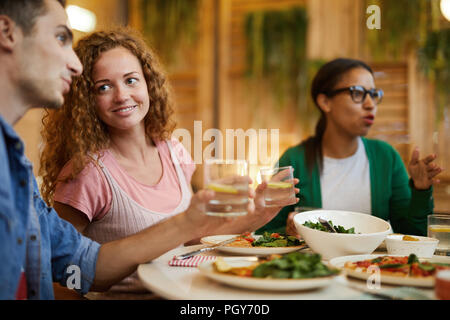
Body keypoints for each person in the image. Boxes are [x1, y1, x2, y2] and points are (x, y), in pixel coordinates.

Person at [0, 0, 286, 300]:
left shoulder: (173, 151)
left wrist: (253, 216)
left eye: (131, 80)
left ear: (150, 83)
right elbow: (71, 278)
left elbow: (185, 241)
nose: (72, 65)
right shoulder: (87, 171)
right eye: (103, 87)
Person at [256, 58, 443, 237]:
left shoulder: (386, 157)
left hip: (370, 269)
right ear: (325, 102)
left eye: (374, 94)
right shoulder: (294, 160)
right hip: (316, 268)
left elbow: (413, 236)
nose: (370, 105)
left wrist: (420, 191)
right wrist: (288, 231)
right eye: (358, 93)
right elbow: (264, 232)